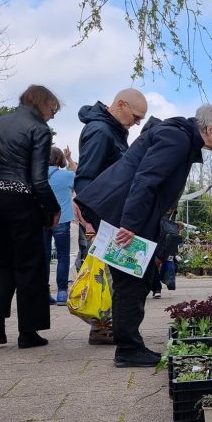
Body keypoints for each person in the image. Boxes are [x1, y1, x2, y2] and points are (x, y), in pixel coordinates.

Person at [76, 103, 212, 367]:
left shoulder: (180, 136)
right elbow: (146, 179)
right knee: (130, 281)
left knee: (137, 278)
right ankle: (128, 350)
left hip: (127, 212)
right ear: (209, 129)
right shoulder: (177, 138)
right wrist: (130, 223)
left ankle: (128, 345)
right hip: (124, 213)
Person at [0, 85, 62, 348]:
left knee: (4, 261)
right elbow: (38, 180)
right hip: (20, 201)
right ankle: (28, 332)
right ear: (40, 103)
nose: (53, 114)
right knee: (29, 265)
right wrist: (53, 208)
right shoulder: (39, 129)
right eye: (52, 108)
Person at [75, 88, 148, 344]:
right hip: (103, 213)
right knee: (108, 272)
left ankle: (109, 324)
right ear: (121, 104)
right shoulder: (101, 131)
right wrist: (91, 220)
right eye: (136, 115)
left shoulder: (113, 131)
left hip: (106, 210)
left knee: (113, 270)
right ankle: (102, 325)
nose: (137, 122)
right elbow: (86, 176)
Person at [44, 146, 77, 304]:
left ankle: (44, 292)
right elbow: (81, 176)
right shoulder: (67, 176)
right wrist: (70, 159)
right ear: (60, 159)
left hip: (41, 221)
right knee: (63, 257)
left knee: (43, 257)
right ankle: (62, 293)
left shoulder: (36, 176)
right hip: (62, 220)